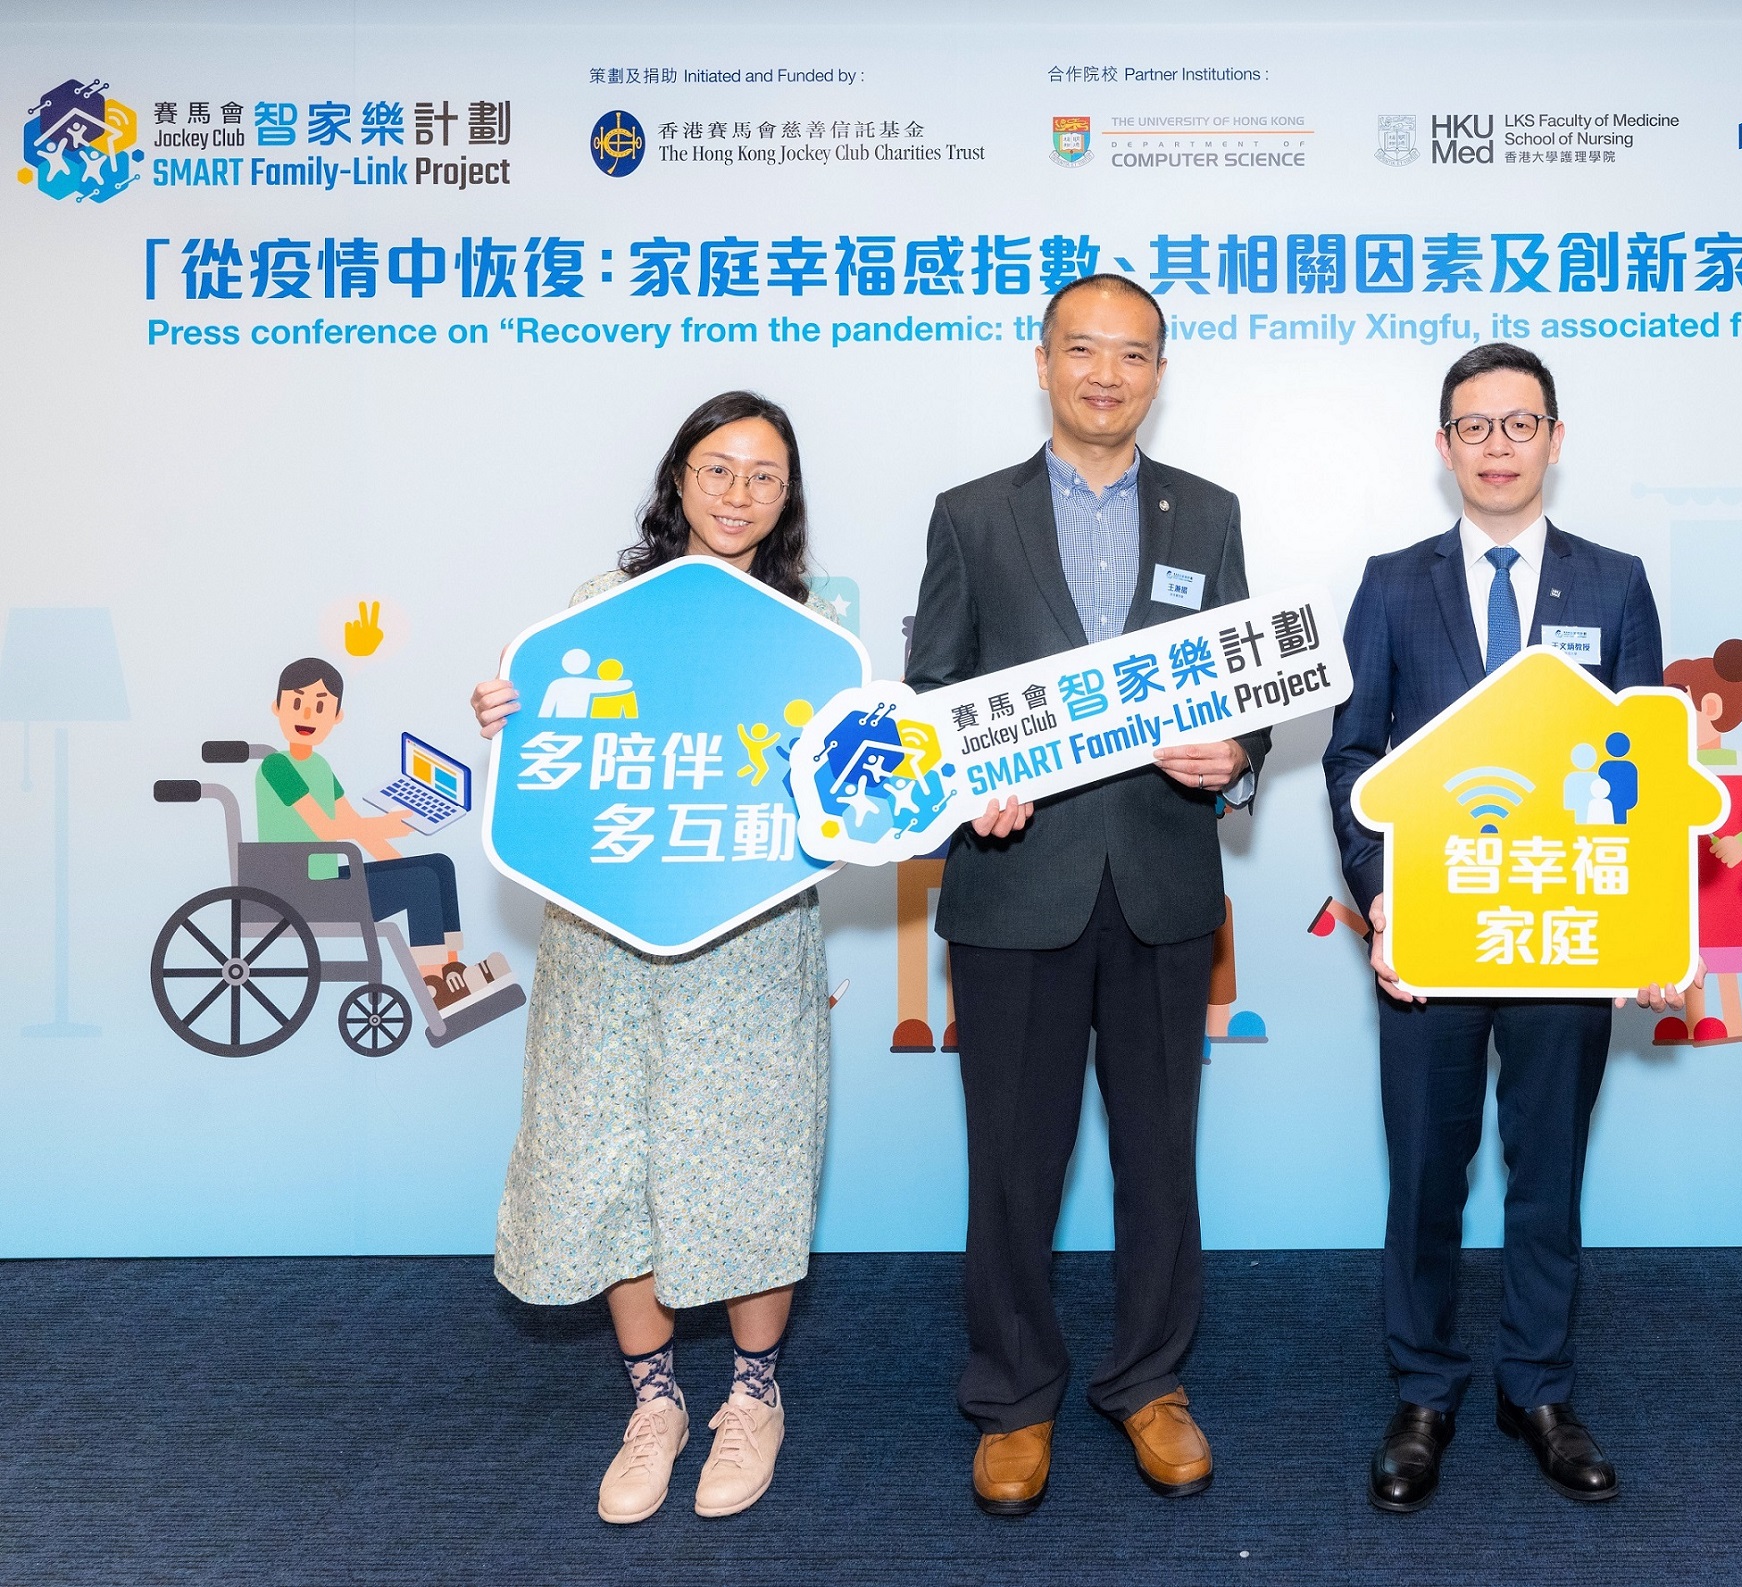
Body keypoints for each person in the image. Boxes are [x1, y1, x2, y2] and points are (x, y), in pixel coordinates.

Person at [905, 273, 1271, 1517]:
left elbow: (1246, 689)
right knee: (1013, 1160)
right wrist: (964, 787)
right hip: (1016, 886)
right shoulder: (971, 515)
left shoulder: (1207, 513)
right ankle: (1013, 1394)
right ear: (1043, 361)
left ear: (1159, 373)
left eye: (1132, 354)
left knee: (1160, 1157)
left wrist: (1238, 755)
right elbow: (930, 698)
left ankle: (1149, 1381)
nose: (1105, 374)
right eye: (1082, 350)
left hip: (1163, 884)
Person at [468, 391, 838, 1526]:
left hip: (751, 944)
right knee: (611, 1159)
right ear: (678, 477)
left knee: (750, 1159)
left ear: (787, 498)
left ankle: (753, 1397)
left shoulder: (815, 632)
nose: (738, 493)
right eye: (717, 467)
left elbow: (845, 794)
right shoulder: (600, 610)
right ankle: (655, 1401)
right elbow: (555, 765)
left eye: (764, 475)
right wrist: (510, 719)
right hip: (607, 946)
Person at [1322, 341, 1677, 1513]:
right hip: (1428, 939)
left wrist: (1639, 925)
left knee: (1547, 1169)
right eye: (1473, 427)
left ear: (1555, 440)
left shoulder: (1614, 583)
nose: (1497, 447)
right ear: (1443, 447)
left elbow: (1641, 763)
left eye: (1519, 424)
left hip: (1566, 935)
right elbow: (1353, 756)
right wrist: (1383, 895)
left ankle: (1539, 1388)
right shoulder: (1391, 583)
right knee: (1427, 1172)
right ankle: (1423, 1391)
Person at [255, 656, 505, 1012]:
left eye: (320, 707)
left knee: (437, 867)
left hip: (325, 878)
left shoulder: (320, 767)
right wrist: (387, 831)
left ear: (336, 716)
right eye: (297, 703)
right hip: (297, 889)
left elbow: (354, 826)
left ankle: (452, 971)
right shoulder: (276, 766)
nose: (308, 715)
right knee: (420, 883)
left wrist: (401, 862)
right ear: (277, 707)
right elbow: (326, 828)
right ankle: (435, 989)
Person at [1657, 639, 1742, 1045]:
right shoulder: (1672, 765)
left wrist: (1741, 841)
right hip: (1687, 869)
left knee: (1725, 951)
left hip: (1729, 872)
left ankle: (1732, 1020)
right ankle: (1693, 1021)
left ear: (1712, 707)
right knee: (1691, 944)